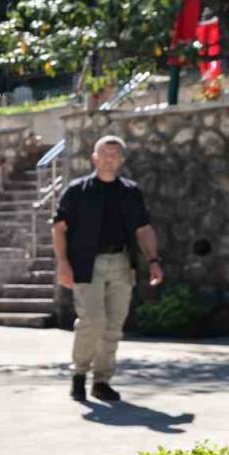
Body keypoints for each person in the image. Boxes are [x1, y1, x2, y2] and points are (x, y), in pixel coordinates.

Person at [53, 135, 163, 402]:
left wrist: (153, 261)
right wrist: (63, 264)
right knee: (92, 320)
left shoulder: (131, 192)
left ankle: (102, 381)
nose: (109, 158)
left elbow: (143, 229)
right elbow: (59, 228)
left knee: (113, 325)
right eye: (104, 153)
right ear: (94, 158)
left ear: (121, 160)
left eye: (115, 154)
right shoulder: (78, 191)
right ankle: (79, 374)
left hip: (123, 263)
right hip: (86, 265)